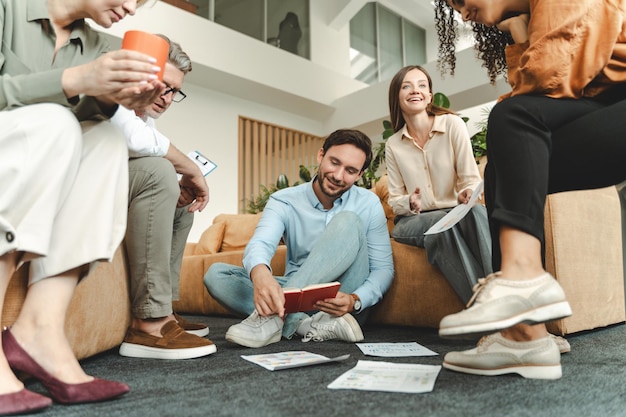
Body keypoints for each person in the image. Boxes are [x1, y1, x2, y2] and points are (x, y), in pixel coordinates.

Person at [433, 0, 626, 379]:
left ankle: (522, 280)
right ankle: (524, 336)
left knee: (512, 117)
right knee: (505, 156)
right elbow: (542, 93)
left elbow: (541, 85)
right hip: (608, 107)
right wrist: (521, 30)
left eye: (459, 1)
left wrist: (523, 36)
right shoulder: (535, 17)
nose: (461, 13)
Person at [0, 0, 164, 414]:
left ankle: (40, 328)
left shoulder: (96, 46)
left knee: (107, 141)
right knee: (54, 123)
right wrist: (74, 78)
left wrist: (118, 98)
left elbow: (86, 119)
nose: (131, 8)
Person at [204, 129, 394, 348]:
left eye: (350, 170)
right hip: (298, 297)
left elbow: (383, 269)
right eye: (334, 162)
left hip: (339, 302)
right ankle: (303, 324)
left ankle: (273, 318)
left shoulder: (368, 203)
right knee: (216, 275)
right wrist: (261, 275)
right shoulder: (284, 200)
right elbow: (261, 244)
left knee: (348, 221)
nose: (338, 176)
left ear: (360, 175)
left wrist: (354, 300)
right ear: (320, 155)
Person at [110, 36, 215, 360]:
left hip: (114, 185)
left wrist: (180, 178)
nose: (167, 97)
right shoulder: (116, 92)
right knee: (160, 171)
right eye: (163, 85)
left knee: (181, 206)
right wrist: (192, 169)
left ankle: (164, 309)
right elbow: (133, 138)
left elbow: (146, 140)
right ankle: (149, 323)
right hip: (85, 183)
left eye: (174, 91)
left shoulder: (146, 119)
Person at [385, 65, 492, 305]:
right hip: (411, 222)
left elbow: (470, 179)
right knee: (442, 225)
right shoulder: (393, 144)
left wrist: (467, 192)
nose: (416, 90)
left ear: (430, 96)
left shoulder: (453, 124)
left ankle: (498, 292)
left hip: (454, 212)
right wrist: (409, 202)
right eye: (407, 86)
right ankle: (485, 307)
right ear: (397, 96)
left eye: (422, 85)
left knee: (476, 213)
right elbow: (394, 201)